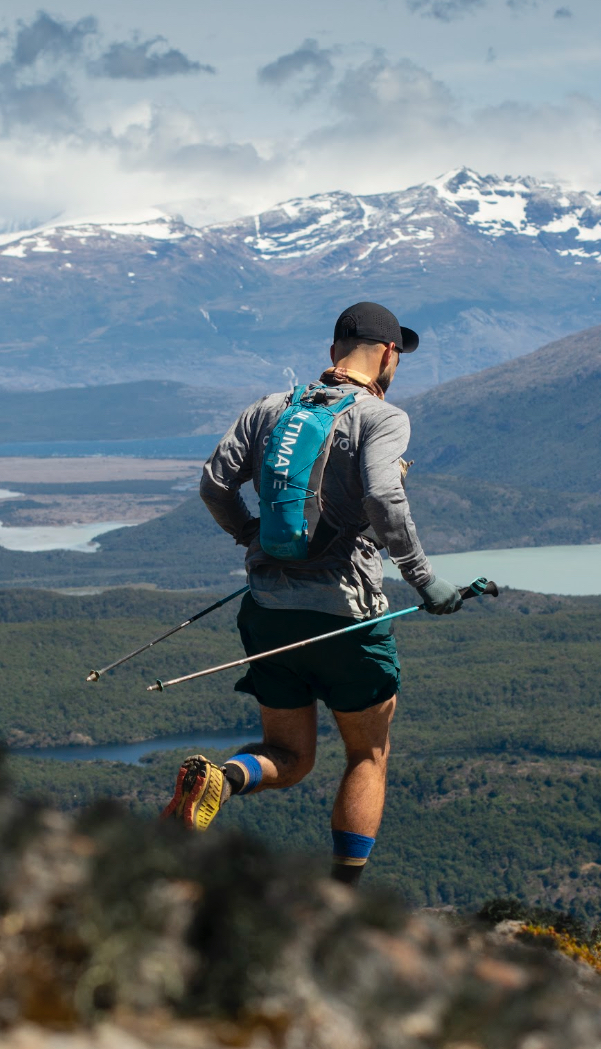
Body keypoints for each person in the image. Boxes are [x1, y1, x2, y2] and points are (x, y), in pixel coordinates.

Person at [160, 300, 465, 885]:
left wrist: (250, 535)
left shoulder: (268, 409)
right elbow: (383, 497)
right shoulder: (381, 417)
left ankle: (222, 779)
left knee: (291, 757)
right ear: (389, 354)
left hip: (268, 610)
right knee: (367, 754)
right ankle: (341, 901)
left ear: (332, 353)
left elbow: (214, 484)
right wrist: (424, 579)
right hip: (347, 618)